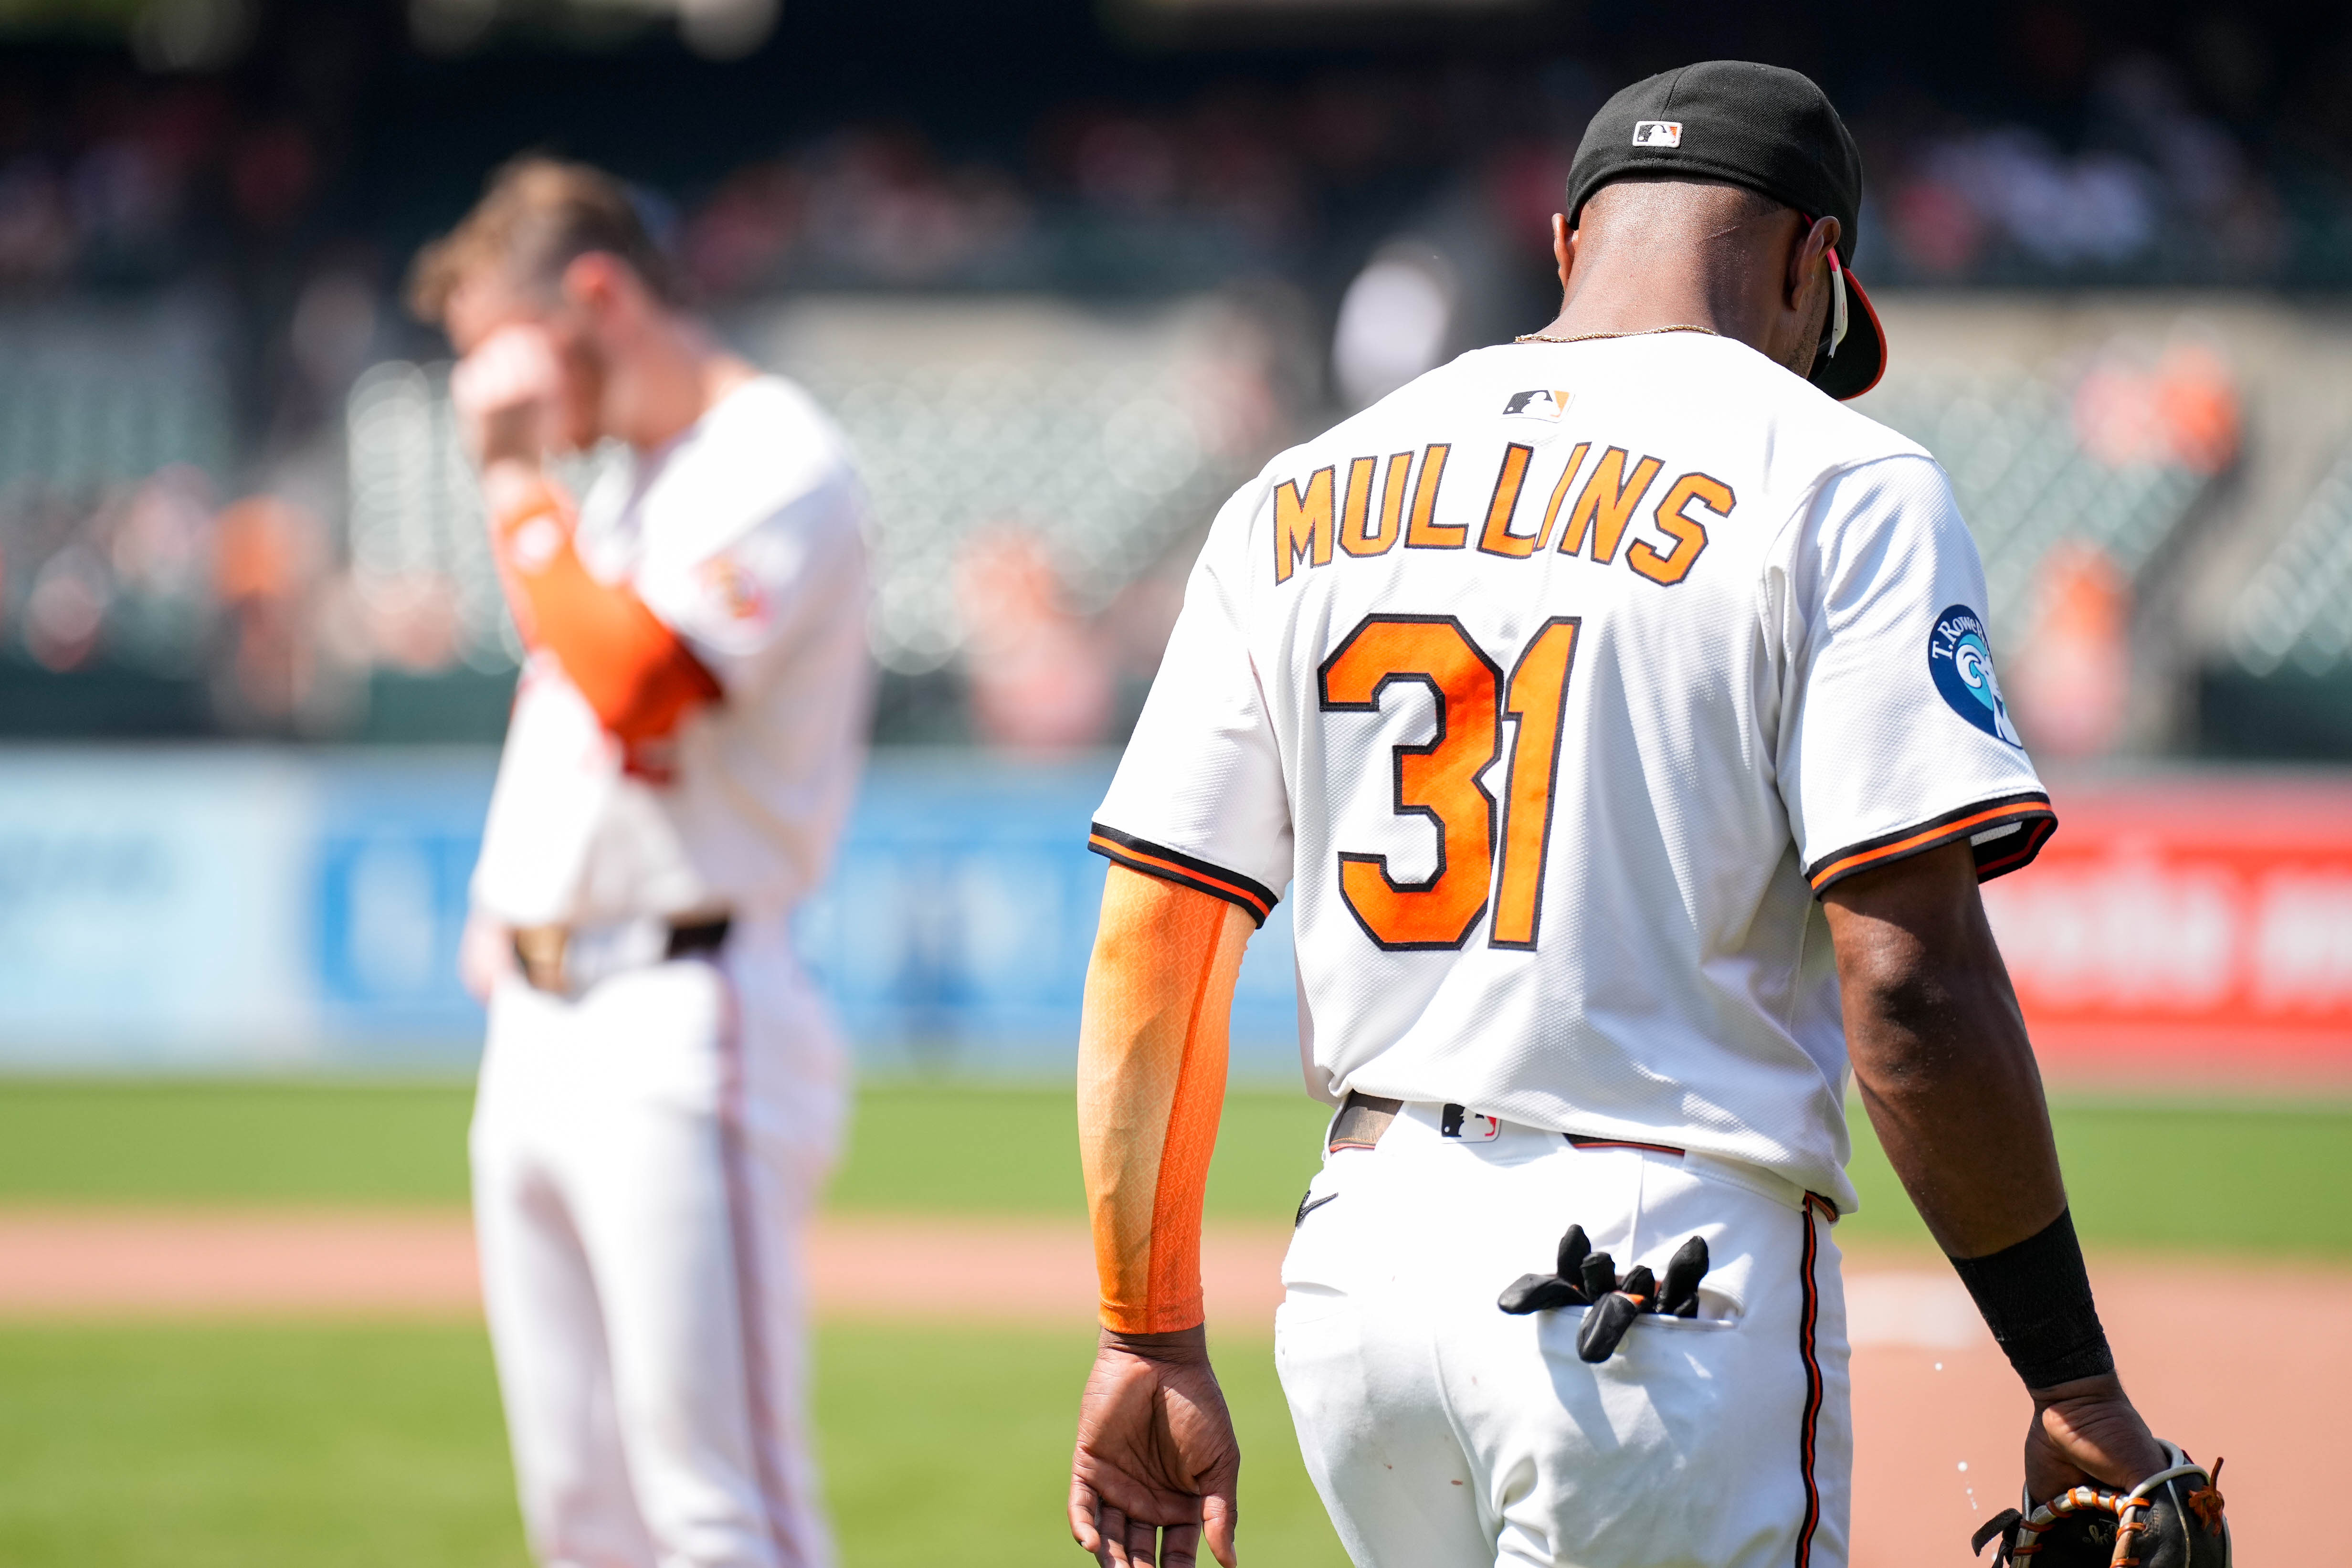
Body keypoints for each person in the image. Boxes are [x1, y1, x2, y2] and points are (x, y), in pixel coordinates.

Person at [1066, 62, 2205, 1568]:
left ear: (1565, 244)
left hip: (1361, 1277)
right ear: (1819, 268)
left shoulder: (1301, 487)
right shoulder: (1840, 477)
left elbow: (1157, 940)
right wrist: (2072, 1378)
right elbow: (1911, 981)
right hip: (1657, 1286)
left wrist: (1146, 1336)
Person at [411, 156, 872, 1568]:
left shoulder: (775, 456)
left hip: (688, 1009)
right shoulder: (635, 481)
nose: (501, 397)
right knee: (582, 1519)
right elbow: (572, 694)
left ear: (596, 297)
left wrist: (508, 481)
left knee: (721, 1513)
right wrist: (510, 895)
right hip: (551, 1019)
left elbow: (637, 683)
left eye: (507, 351)